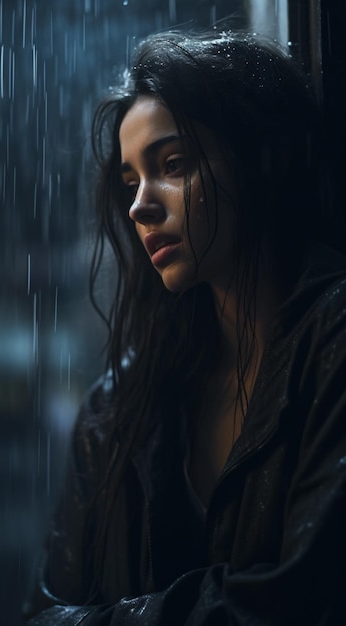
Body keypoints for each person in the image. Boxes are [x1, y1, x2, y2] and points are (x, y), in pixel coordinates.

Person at [24, 30, 346, 625]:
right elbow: (42, 614)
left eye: (172, 165)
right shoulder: (118, 409)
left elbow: (302, 601)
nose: (139, 206)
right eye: (129, 181)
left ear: (257, 161)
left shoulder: (332, 345)